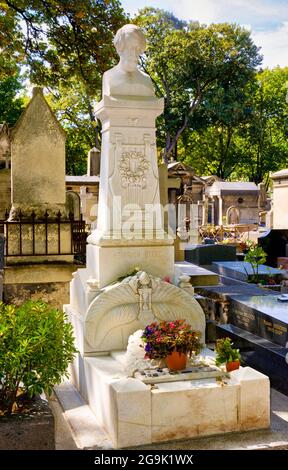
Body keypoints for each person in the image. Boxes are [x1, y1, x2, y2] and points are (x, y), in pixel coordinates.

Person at [102, 24, 155, 99]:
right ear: (120, 48)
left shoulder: (146, 80)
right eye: (130, 48)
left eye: (137, 49)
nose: (134, 53)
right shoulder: (109, 77)